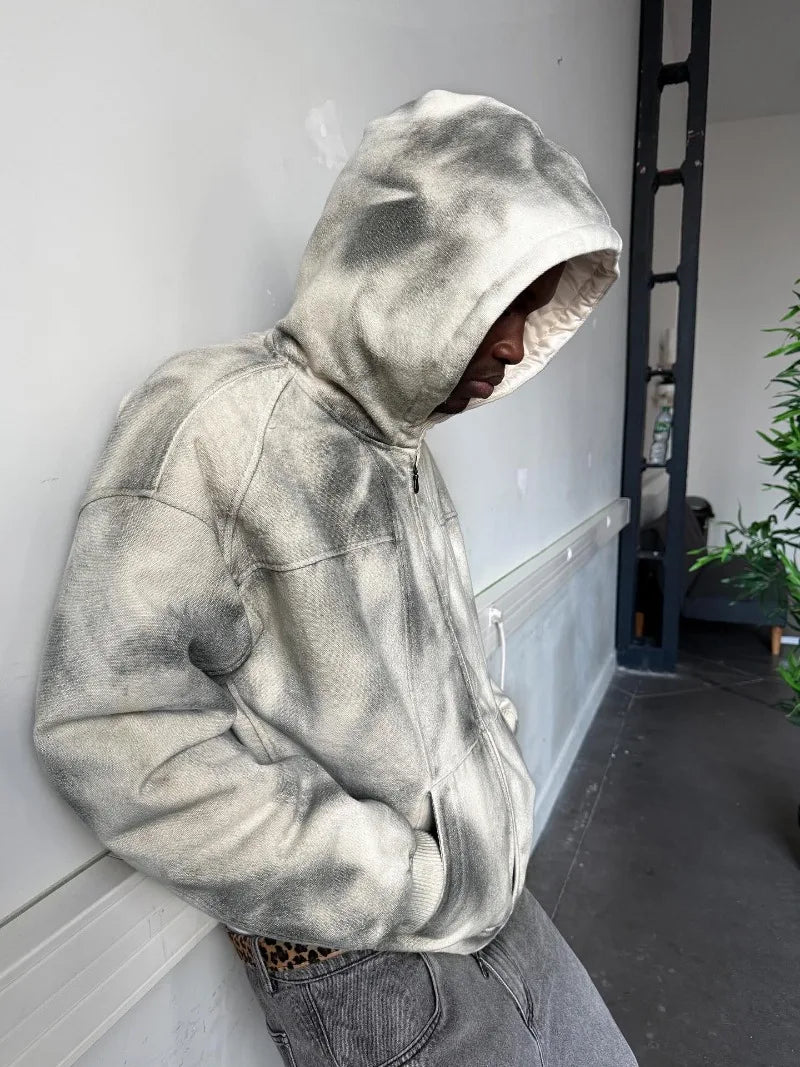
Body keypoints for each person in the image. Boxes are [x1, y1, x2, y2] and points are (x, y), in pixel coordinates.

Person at [33, 89, 636, 1064]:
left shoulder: (400, 451)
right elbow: (105, 730)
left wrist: (491, 794)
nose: (514, 344)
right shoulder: (216, 421)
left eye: (530, 311)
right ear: (414, 264)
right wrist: (398, 876)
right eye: (501, 301)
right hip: (373, 962)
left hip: (491, 903)